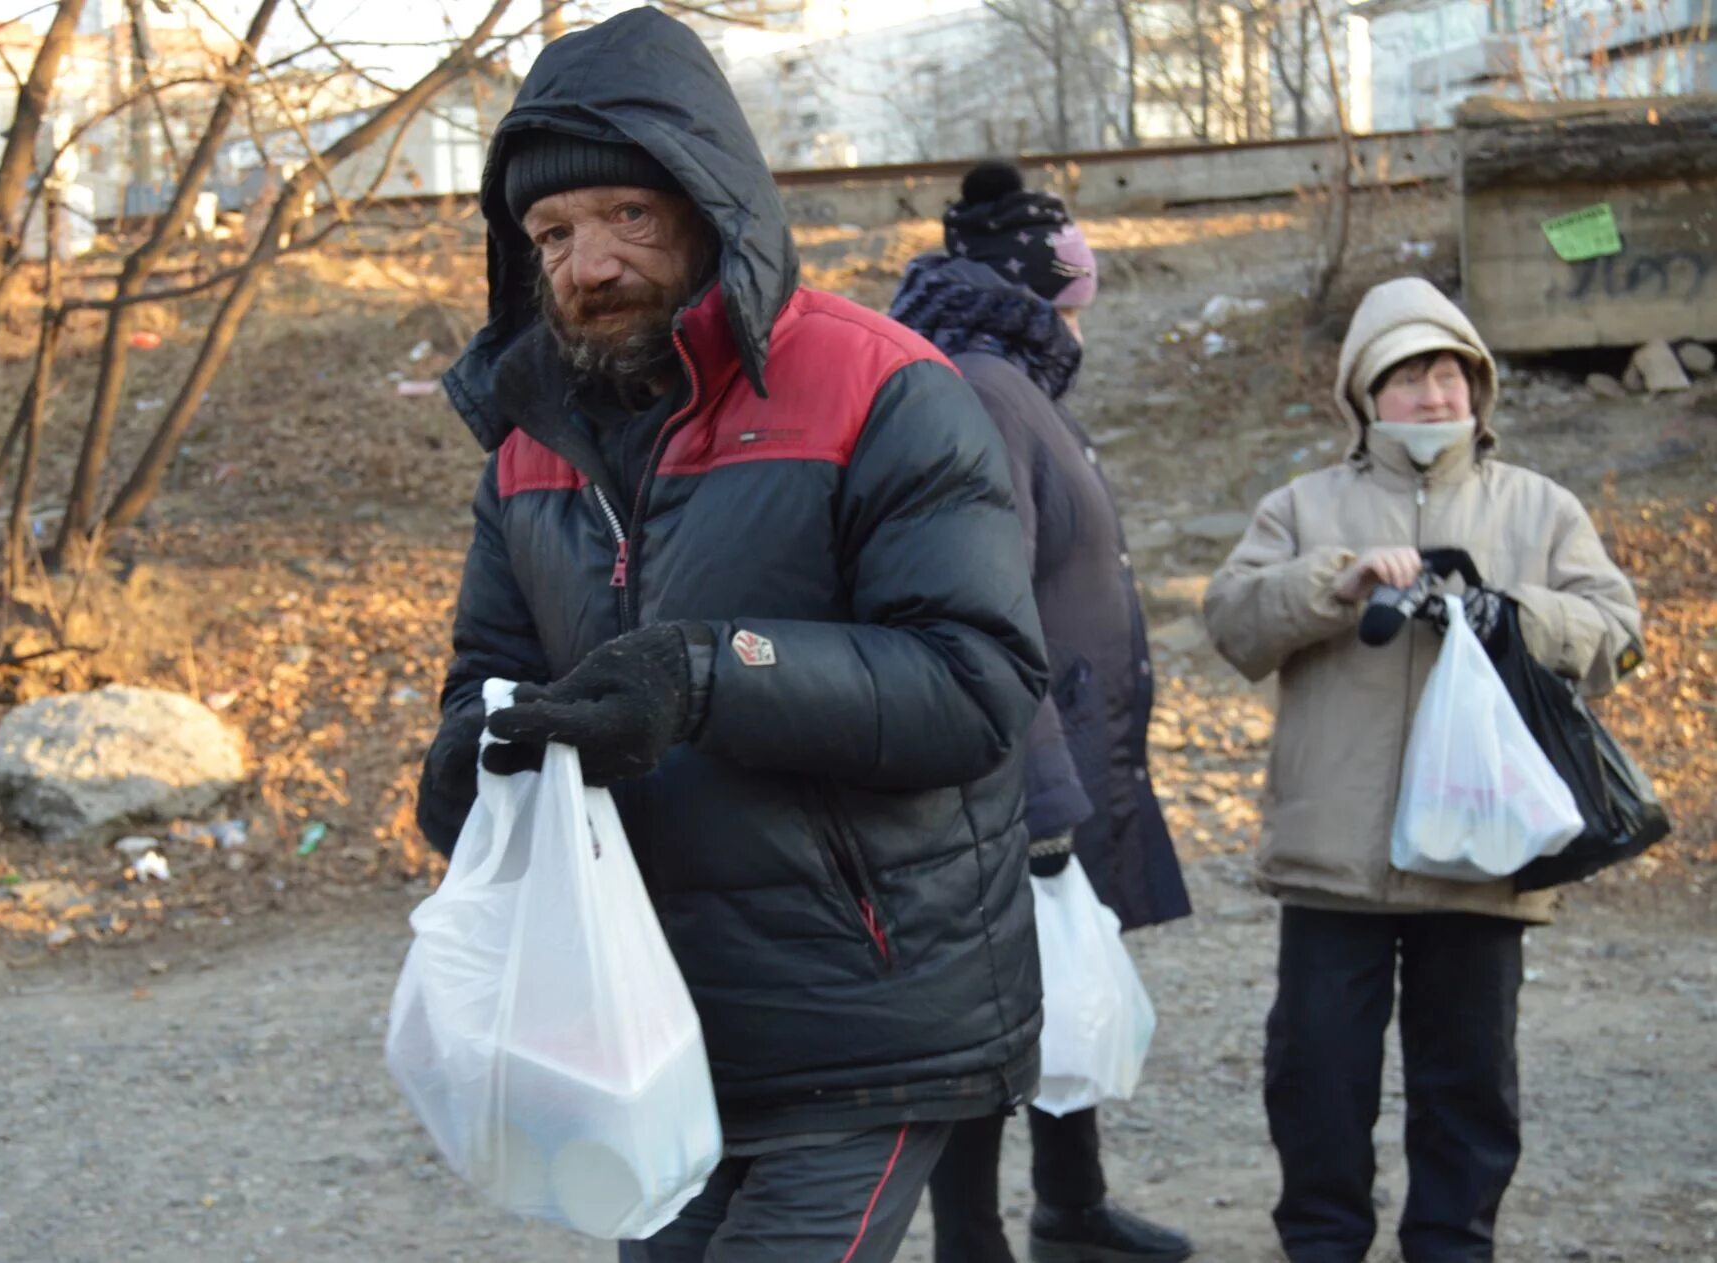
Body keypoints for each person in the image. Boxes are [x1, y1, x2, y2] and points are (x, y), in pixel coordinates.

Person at [414, 12, 1049, 1262]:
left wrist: (708, 674)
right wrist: (468, 766)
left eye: (627, 217)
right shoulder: (529, 443)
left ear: (713, 207)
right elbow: (486, 681)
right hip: (642, 1022)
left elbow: (977, 688)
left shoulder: (884, 386)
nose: (588, 264)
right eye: (551, 234)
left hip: (863, 1016)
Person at [1202, 277, 1643, 1263]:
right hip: (1332, 859)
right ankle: (1321, 1244)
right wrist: (1335, 581)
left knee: (1469, 1085)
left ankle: (1453, 1247)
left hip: (1482, 855)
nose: (1434, 397)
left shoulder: (1540, 507)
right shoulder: (1300, 507)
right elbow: (1232, 623)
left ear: (1477, 389)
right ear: (1364, 395)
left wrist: (1520, 615)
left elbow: (1619, 634)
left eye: (1449, 375)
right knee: (1315, 1079)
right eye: (1408, 378)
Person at [890, 161, 1194, 1263]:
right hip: (1019, 765)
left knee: (1061, 983)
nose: (1083, 302)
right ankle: (973, 1242)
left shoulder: (1012, 376)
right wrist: (1040, 790)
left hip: (1065, 747)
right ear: (1031, 283)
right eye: (1071, 279)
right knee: (991, 1009)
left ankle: (1070, 1207)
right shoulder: (981, 385)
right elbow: (984, 600)